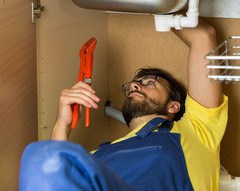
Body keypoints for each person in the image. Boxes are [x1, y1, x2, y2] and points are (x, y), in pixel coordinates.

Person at [19, 20, 228, 191]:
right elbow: (52, 173)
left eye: (149, 82)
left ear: (174, 106)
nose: (135, 85)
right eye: (133, 85)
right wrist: (61, 124)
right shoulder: (95, 157)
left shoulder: (198, 129)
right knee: (38, 158)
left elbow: (203, 36)